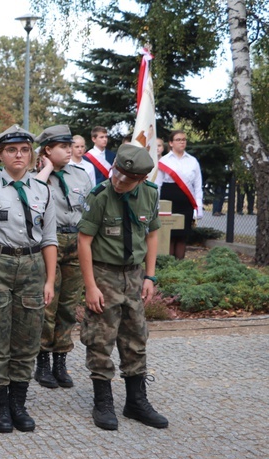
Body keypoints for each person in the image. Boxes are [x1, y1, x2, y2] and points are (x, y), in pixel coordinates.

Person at [0, 125, 58, 434]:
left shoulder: (43, 191)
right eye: (11, 150)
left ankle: (19, 403)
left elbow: (50, 239)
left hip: (32, 266)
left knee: (28, 337)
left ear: (31, 155)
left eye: (23, 150)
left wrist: (49, 281)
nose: (18, 155)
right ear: (0, 155)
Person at [77, 143, 168, 431]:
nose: (117, 180)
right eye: (116, 173)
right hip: (105, 274)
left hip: (135, 276)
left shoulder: (150, 195)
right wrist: (90, 286)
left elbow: (152, 234)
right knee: (100, 338)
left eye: (126, 179)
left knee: (136, 338)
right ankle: (102, 402)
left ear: (141, 179)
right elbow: (84, 241)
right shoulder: (101, 195)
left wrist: (150, 277)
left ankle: (135, 402)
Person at [34, 125, 92, 390]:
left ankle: (61, 359)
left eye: (70, 146)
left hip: (76, 241)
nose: (69, 151)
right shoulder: (36, 176)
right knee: (48, 303)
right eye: (63, 147)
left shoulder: (80, 175)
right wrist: (45, 169)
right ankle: (42, 360)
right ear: (47, 150)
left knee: (69, 305)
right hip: (50, 241)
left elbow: (88, 211)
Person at [156, 130, 203, 259]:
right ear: (170, 143)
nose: (182, 142)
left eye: (184, 139)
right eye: (178, 140)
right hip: (168, 202)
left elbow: (198, 186)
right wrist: (157, 205)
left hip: (186, 202)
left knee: (182, 236)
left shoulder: (193, 161)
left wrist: (198, 206)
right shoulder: (164, 161)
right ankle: (169, 266)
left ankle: (180, 266)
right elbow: (157, 186)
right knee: (169, 237)